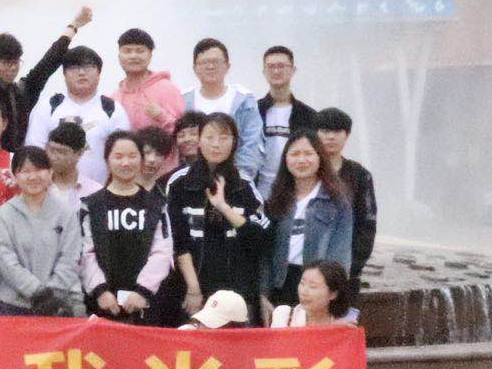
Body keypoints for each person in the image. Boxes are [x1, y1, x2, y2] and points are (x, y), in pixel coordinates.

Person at [163, 113, 271, 325]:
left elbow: (260, 240)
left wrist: (224, 207)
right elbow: (177, 240)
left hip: (238, 291)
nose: (216, 144)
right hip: (192, 289)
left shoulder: (244, 185)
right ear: (199, 141)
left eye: (223, 138)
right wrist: (193, 288)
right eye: (209, 137)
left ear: (234, 143)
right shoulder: (179, 183)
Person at [80, 131, 173, 322]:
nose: (126, 163)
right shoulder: (91, 205)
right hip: (101, 304)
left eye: (132, 156)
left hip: (145, 305)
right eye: (118, 156)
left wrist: (143, 291)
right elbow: (85, 252)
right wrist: (100, 291)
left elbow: (162, 251)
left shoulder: (156, 205)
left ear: (141, 159)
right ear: (107, 160)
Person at [0, 11, 94, 154]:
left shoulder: (23, 91)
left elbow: (49, 62)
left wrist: (74, 26)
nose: (13, 68)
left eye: (16, 62)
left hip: (17, 162)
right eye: (7, 63)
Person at [262, 131, 353, 317]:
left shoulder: (336, 201)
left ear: (320, 157)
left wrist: (330, 297)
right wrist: (263, 294)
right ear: (285, 159)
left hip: (317, 285)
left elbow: (340, 254)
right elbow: (265, 253)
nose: (301, 160)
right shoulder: (277, 198)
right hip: (280, 283)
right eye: (295, 154)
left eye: (308, 153)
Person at [0, 146, 84, 316]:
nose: (33, 177)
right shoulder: (4, 214)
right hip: (12, 305)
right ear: (15, 176)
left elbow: (70, 257)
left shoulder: (66, 213)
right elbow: (6, 260)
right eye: (25, 171)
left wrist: (51, 295)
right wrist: (37, 293)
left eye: (39, 170)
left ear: (50, 173)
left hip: (58, 303)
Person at [25, 46, 132, 185]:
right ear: (64, 74)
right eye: (74, 67)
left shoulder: (112, 109)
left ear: (99, 73)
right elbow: (34, 151)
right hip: (53, 191)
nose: (81, 72)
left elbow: (124, 154)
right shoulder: (48, 107)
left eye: (88, 66)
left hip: (101, 192)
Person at [183, 38, 266, 183]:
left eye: (216, 61)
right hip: (191, 181)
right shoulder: (184, 100)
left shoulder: (243, 100)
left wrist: (238, 181)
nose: (210, 66)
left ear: (227, 66)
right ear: (195, 68)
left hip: (235, 180)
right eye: (204, 62)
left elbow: (252, 144)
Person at [313, 108, 378, 287]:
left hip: (344, 268)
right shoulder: (304, 169)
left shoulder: (359, 175)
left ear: (347, 135)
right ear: (315, 133)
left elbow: (367, 224)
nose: (331, 137)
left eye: (337, 131)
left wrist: (353, 267)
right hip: (304, 265)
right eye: (325, 131)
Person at [256, 45, 317, 200]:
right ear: (264, 71)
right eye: (271, 67)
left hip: (297, 190)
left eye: (281, 66)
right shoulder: (253, 111)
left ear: (293, 70)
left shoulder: (309, 115)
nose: (276, 71)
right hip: (259, 191)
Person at [112, 28, 185, 141]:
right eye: (127, 51)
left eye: (140, 51)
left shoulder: (167, 89)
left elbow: (185, 134)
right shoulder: (113, 98)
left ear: (150, 55)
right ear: (119, 56)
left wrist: (162, 116)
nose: (133, 56)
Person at [270, 260, 357, 327]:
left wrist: (336, 331)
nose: (304, 292)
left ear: (333, 294)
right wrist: (328, 329)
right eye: (302, 283)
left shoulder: (344, 323)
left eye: (313, 286)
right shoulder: (283, 314)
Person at [45, 122, 100, 215]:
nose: (53, 157)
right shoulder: (37, 185)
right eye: (51, 150)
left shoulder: (94, 192)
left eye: (61, 152)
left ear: (79, 153)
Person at [179, 290, 251, 330]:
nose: (201, 327)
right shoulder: (186, 334)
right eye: (202, 321)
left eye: (210, 324)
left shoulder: (249, 349)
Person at [137, 127, 176, 192]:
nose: (152, 160)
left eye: (158, 154)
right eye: (147, 152)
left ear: (165, 158)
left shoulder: (169, 189)